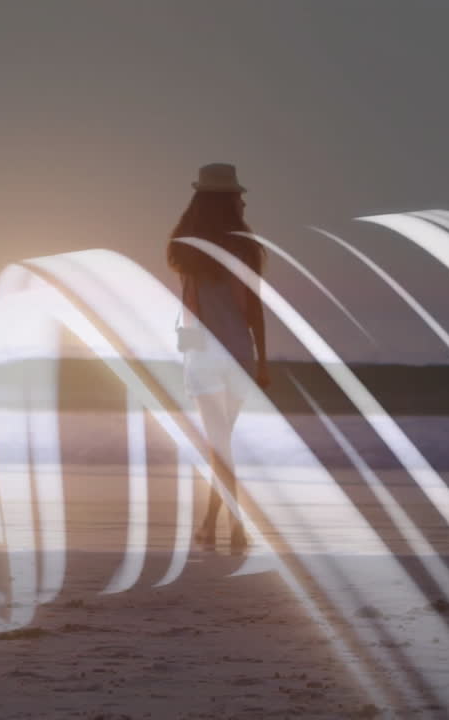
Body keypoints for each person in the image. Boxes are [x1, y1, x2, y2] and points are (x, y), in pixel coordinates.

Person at [166, 163, 269, 554]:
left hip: (202, 356)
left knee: (219, 445)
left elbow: (190, 304)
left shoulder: (185, 248)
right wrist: (262, 361)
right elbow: (254, 309)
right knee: (221, 445)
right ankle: (229, 526)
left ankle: (217, 524)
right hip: (238, 354)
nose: (243, 201)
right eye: (238, 195)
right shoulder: (245, 247)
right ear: (225, 201)